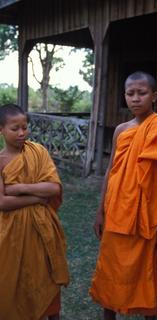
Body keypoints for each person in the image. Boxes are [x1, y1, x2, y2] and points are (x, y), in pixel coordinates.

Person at [89, 71, 157, 320]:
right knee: (111, 269)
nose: (135, 98)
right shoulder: (121, 130)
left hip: (147, 215)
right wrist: (100, 210)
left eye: (142, 93)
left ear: (154, 96)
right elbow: (111, 171)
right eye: (130, 93)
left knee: (147, 272)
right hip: (116, 212)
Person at [0, 104, 69, 320]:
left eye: (25, 127)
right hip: (11, 232)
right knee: (14, 281)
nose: (22, 133)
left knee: (46, 277)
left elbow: (54, 188)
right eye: (15, 128)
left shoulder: (38, 152)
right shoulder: (0, 161)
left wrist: (19, 189)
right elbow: (2, 202)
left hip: (42, 229)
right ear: (1, 129)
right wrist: (37, 198)